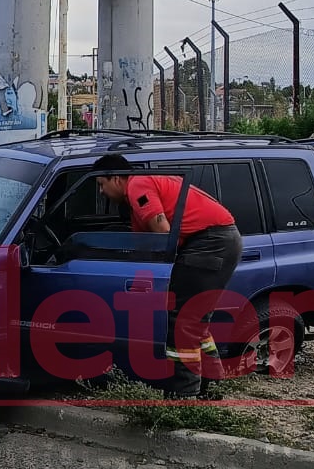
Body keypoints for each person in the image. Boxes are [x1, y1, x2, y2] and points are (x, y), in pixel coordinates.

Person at [94, 153, 242, 399]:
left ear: (117, 178)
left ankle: (184, 394)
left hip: (210, 243)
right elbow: (145, 243)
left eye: (102, 184)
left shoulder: (138, 185)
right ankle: (212, 386)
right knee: (195, 321)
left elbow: (162, 233)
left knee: (183, 320)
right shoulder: (142, 189)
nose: (101, 192)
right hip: (220, 240)